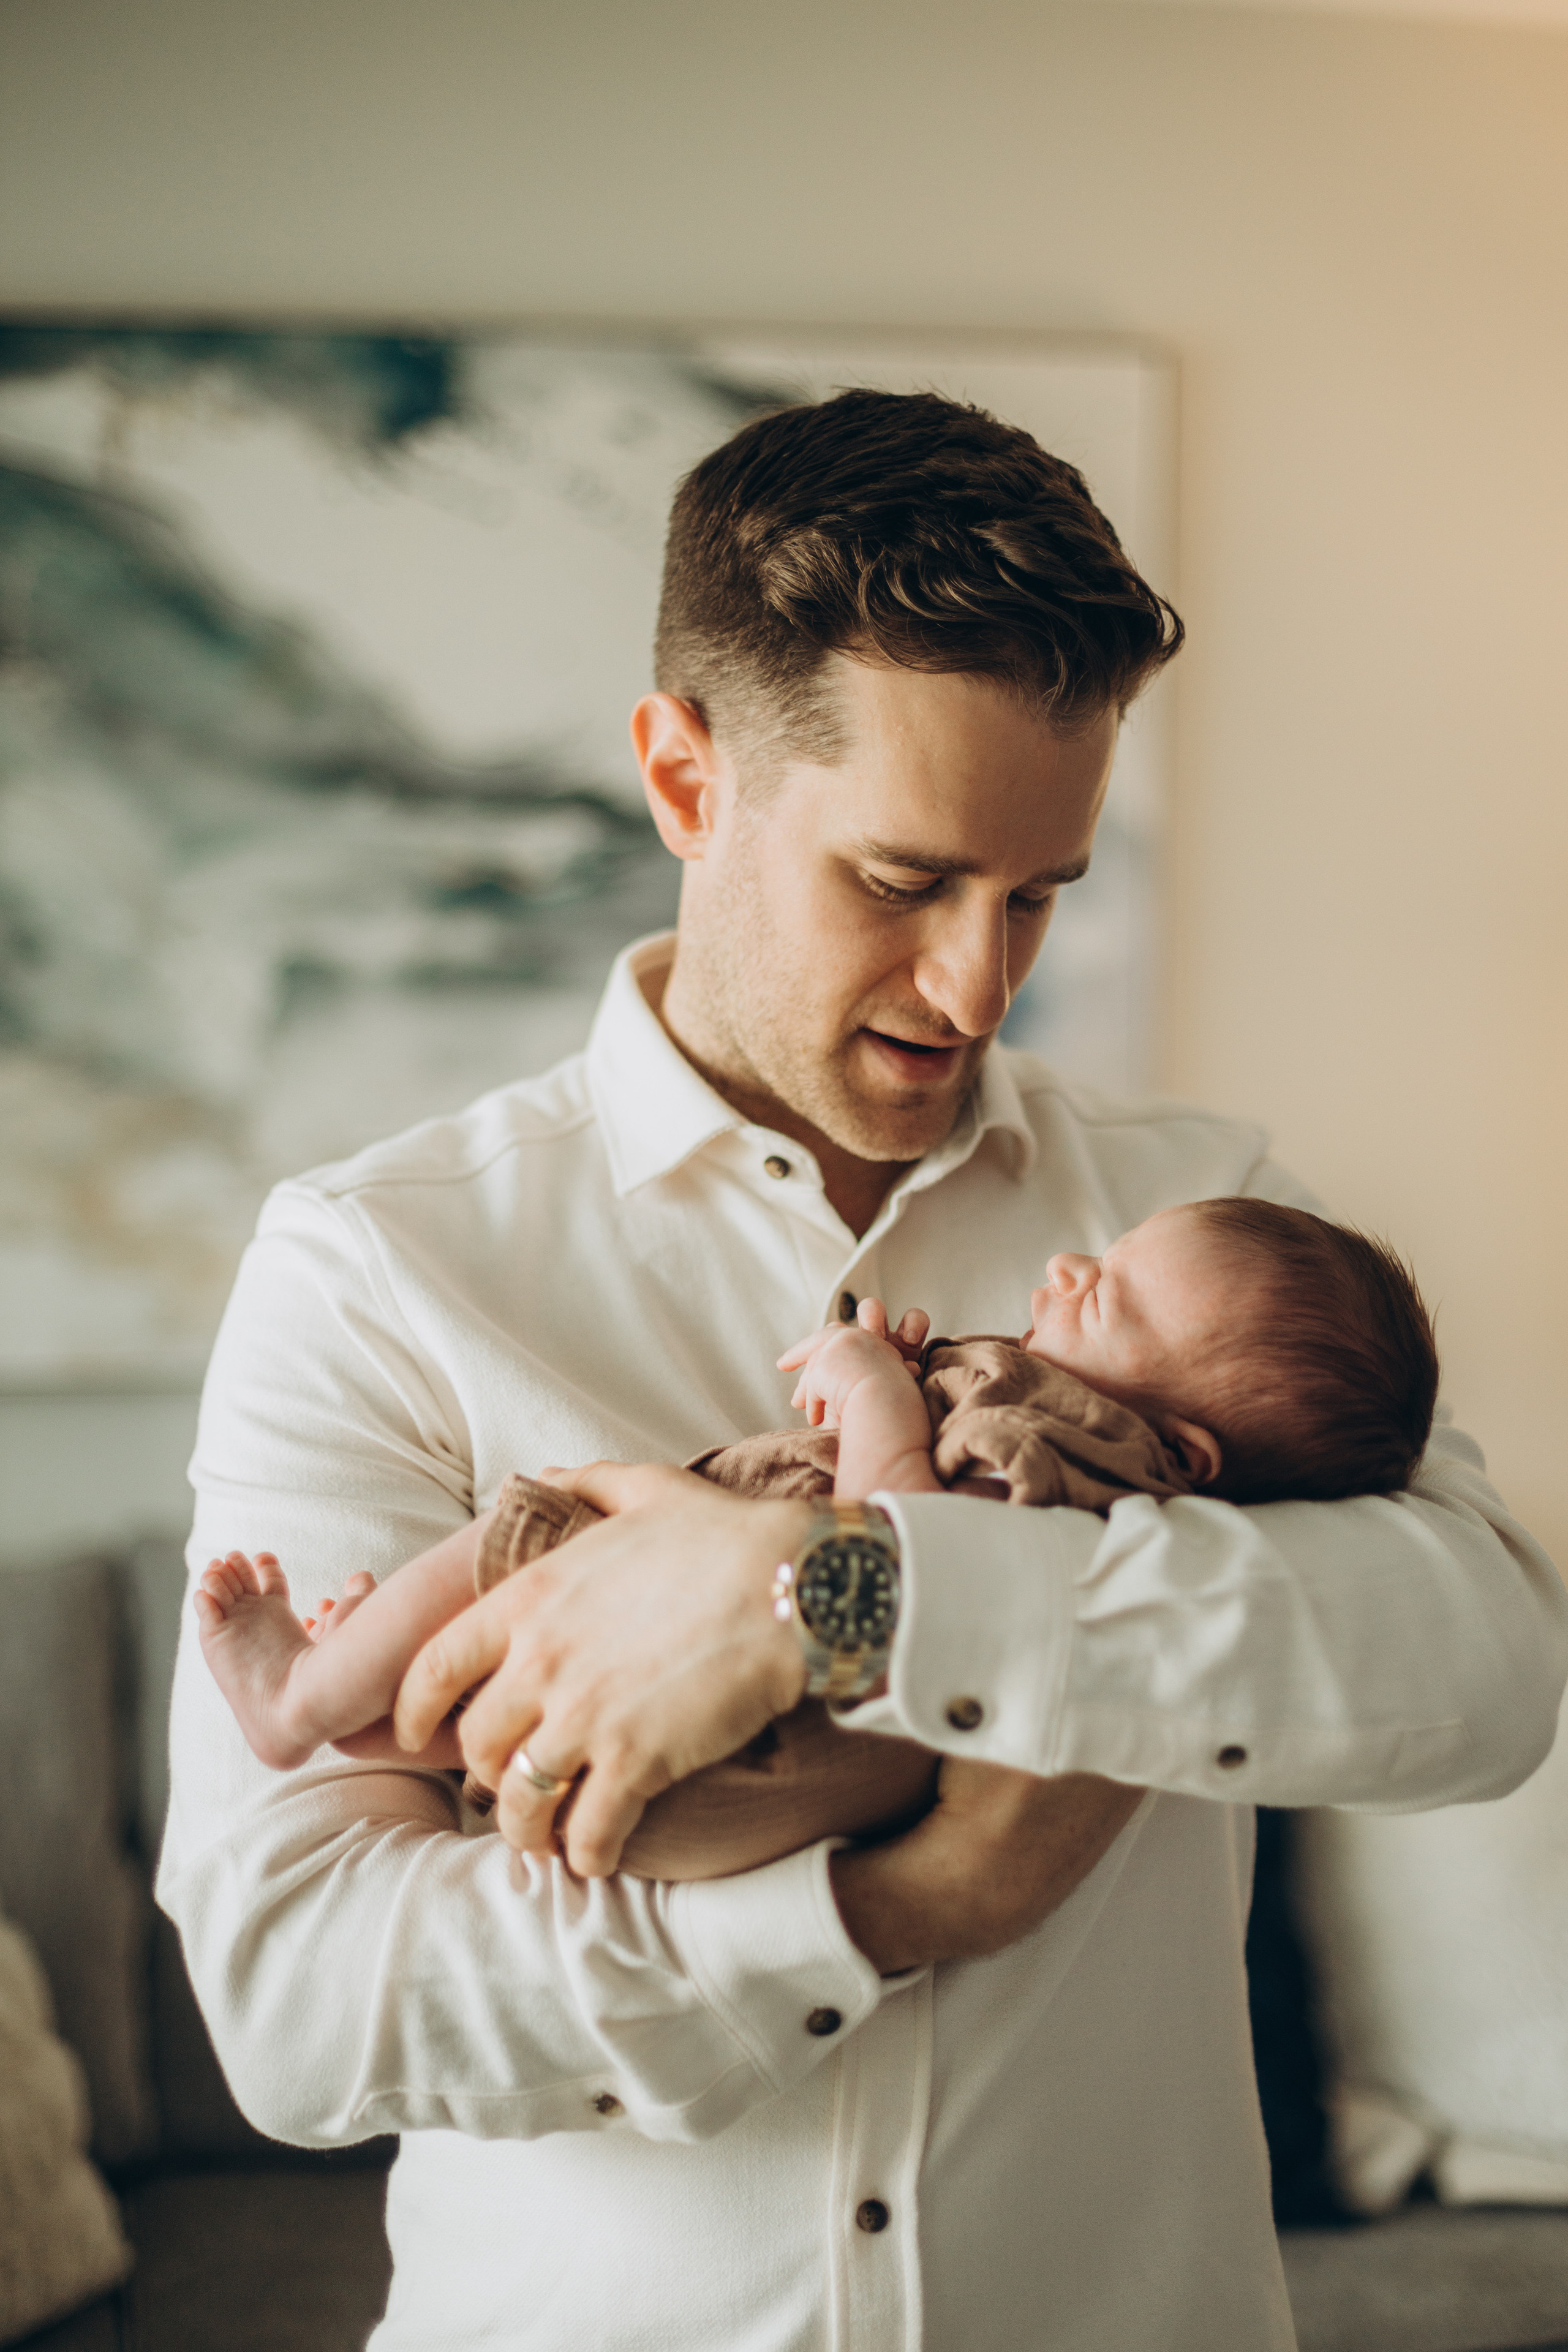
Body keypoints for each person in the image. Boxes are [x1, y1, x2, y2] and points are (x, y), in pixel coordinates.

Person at [157, 390, 1567, 2352]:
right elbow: (301, 2008)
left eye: (1041, 893)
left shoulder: (1197, 1215)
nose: (983, 988)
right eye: (904, 882)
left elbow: (1485, 1665)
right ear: (683, 778)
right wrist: (895, 1909)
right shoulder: (385, 1263)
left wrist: (835, 1600)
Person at [192, 1198, 1439, 1887]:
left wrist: (877, 1393)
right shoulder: (1101, 1485)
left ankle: (301, 1701)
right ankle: (378, 1715)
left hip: (750, 1759)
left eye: (1105, 1289)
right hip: (726, 1794)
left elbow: (898, 1556)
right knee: (511, 1649)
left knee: (522, 1545)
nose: (1062, 1264)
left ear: (1188, 1451)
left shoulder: (1049, 1452)